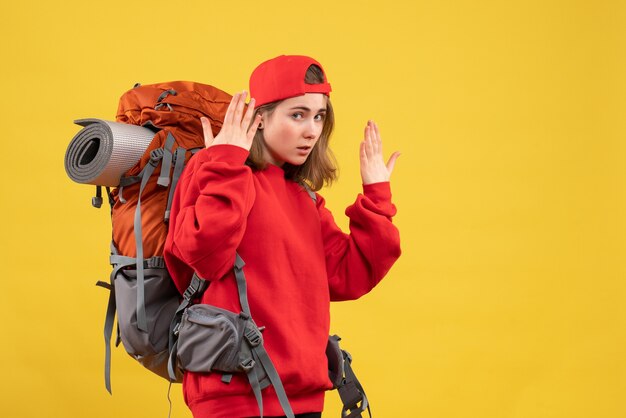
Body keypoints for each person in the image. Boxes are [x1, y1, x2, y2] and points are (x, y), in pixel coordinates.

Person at [163, 55, 401, 418]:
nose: (312, 130)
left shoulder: (304, 198)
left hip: (303, 396)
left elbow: (352, 275)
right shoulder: (216, 169)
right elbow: (205, 257)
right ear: (259, 118)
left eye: (319, 116)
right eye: (297, 114)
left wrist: (376, 195)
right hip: (234, 399)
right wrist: (226, 161)